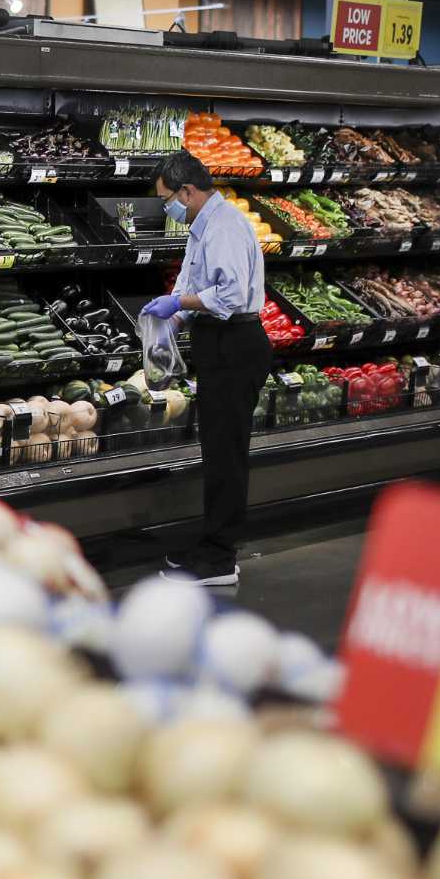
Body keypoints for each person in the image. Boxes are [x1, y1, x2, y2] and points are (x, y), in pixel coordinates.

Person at [142, 150, 270, 587]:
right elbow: (196, 285)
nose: (167, 209)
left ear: (187, 191)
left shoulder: (225, 226)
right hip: (219, 340)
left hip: (237, 341)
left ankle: (221, 558)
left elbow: (230, 295)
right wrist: (172, 320)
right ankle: (211, 543)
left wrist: (180, 303)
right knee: (216, 449)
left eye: (167, 200)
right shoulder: (203, 226)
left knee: (228, 453)